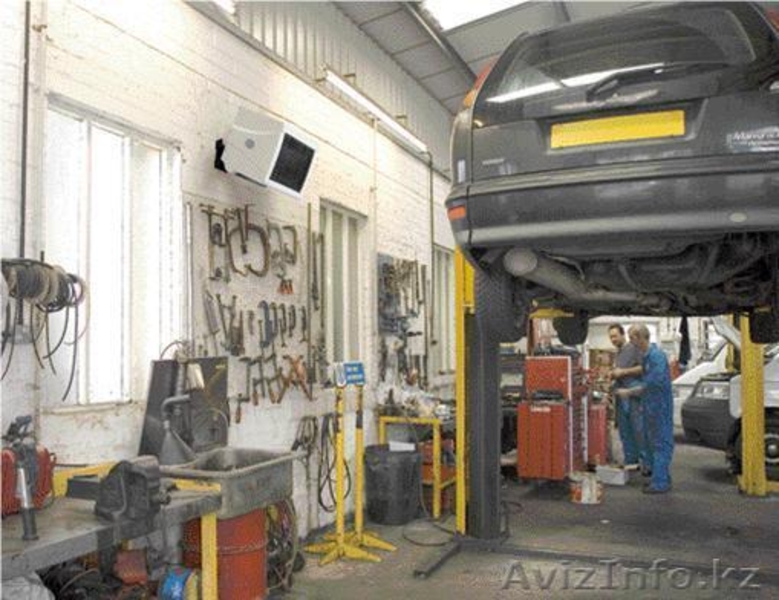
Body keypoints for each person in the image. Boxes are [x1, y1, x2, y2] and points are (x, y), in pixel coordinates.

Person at [618, 324, 675, 494]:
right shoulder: (646, 357)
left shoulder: (656, 356)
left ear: (639, 338)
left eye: (631, 338)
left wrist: (628, 392)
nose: (630, 341)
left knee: (661, 443)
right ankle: (661, 476)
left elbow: (653, 384)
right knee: (651, 443)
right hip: (650, 406)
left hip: (660, 407)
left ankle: (660, 483)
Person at [608, 324, 647, 472]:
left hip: (633, 395)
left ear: (622, 335)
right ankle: (631, 461)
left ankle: (646, 463)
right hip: (621, 396)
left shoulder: (634, 348)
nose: (613, 339)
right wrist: (612, 375)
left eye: (615, 336)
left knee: (639, 430)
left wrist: (623, 372)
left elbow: (643, 367)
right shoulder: (618, 353)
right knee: (625, 431)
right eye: (610, 337)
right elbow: (619, 373)